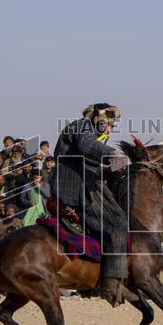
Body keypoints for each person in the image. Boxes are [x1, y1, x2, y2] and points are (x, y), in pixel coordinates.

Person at [52, 103, 127, 305]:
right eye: (109, 123)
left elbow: (91, 161)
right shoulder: (81, 127)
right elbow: (88, 146)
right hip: (76, 190)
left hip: (86, 187)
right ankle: (110, 286)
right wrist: (112, 153)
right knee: (119, 225)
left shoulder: (88, 131)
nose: (110, 128)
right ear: (99, 119)